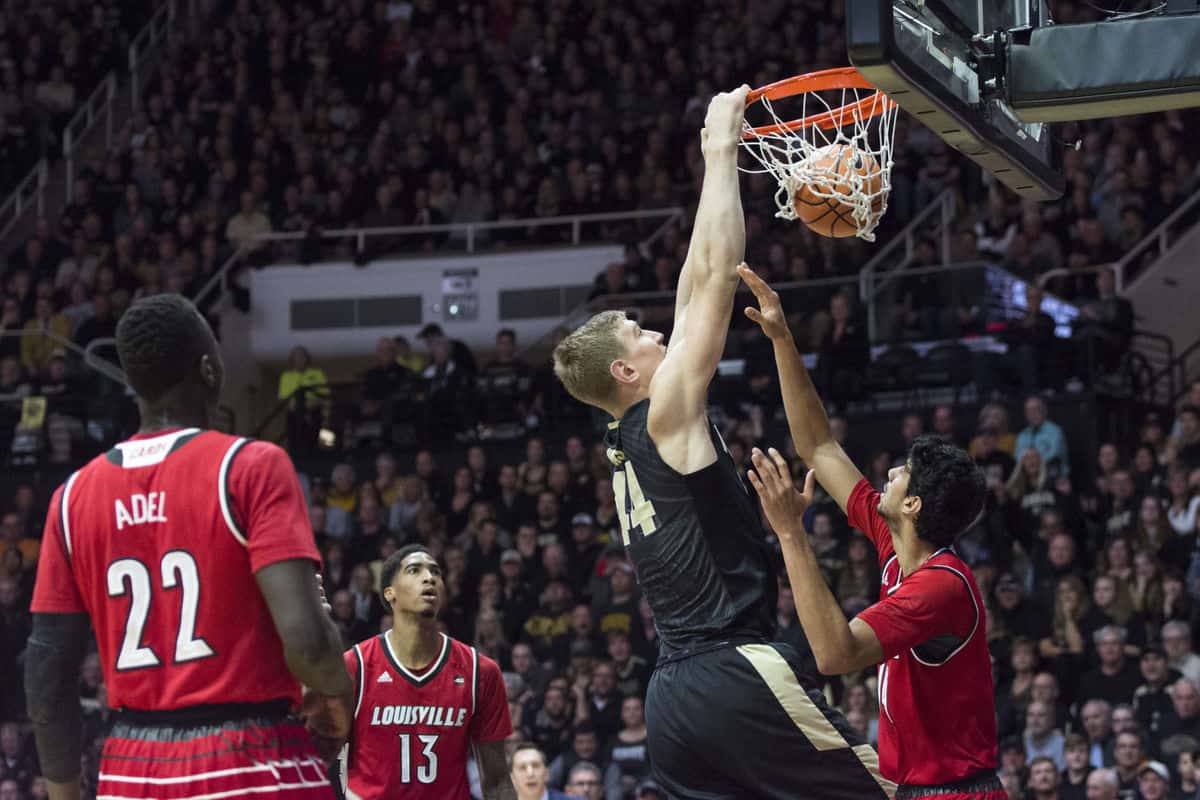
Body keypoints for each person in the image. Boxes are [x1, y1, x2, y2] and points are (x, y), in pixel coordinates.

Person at [550, 87, 891, 799]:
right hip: (734, 668)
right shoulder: (664, 416)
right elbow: (709, 280)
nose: (658, 335)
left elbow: (687, 284)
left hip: (672, 697)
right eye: (641, 337)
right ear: (625, 372)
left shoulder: (625, 439)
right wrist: (720, 147)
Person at [24, 294, 352, 800]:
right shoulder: (249, 466)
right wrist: (332, 692)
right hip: (251, 758)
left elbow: (46, 677)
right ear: (209, 370)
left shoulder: (70, 498)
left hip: (130, 770)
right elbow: (310, 647)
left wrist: (65, 794)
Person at [738, 261, 1002, 799]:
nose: (888, 472)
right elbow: (819, 446)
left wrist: (791, 532)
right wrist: (784, 340)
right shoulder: (898, 545)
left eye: (900, 473)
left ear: (914, 505)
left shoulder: (941, 586)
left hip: (956, 793)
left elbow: (835, 655)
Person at [341, 544, 514, 799]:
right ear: (390, 593)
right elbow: (325, 760)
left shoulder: (480, 671)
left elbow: (498, 780)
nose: (429, 577)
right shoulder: (355, 666)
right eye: (414, 570)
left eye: (435, 572)